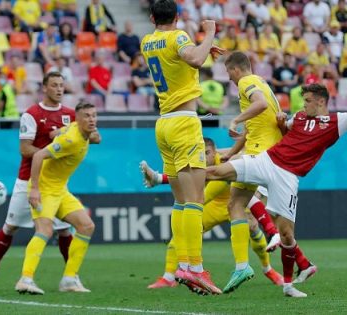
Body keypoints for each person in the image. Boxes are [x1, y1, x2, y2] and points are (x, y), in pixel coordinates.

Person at [206, 83, 347, 298]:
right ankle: (164, 177)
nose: (303, 104)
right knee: (216, 172)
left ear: (321, 102)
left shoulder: (336, 122)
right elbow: (284, 130)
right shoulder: (298, 117)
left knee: (286, 234)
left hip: (288, 177)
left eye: (307, 101)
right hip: (267, 160)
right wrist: (281, 123)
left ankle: (289, 285)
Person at [140, 0, 224, 295]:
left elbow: (184, 59)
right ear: (177, 16)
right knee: (196, 199)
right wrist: (210, 35)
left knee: (179, 200)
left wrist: (199, 49)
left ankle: (182, 266)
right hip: (185, 123)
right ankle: (196, 268)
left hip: (163, 123)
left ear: (151, 17)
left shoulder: (147, 41)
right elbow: (195, 60)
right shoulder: (178, 37)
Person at [140, 138, 283, 292]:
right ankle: (169, 277)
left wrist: (159, 178)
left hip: (232, 203)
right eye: (202, 153)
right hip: (215, 206)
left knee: (254, 229)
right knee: (184, 233)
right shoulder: (205, 160)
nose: (205, 157)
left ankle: (268, 269)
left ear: (214, 152)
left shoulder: (224, 162)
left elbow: (200, 192)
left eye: (207, 153)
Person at [0, 72, 80, 292]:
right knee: (11, 227)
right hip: (27, 181)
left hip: (55, 183)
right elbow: (25, 149)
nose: (59, 89)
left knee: (64, 230)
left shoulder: (70, 115)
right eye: (54, 85)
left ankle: (72, 277)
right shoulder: (32, 114)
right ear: (44, 88)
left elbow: (89, 136)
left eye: (62, 85)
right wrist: (50, 154)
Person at [16, 101, 99, 295]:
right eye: (86, 116)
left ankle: (69, 279)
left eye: (94, 115)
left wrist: (58, 132)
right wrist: (35, 189)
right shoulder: (71, 140)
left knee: (86, 226)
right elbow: (38, 157)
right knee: (45, 229)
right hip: (44, 189)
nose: (91, 119)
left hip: (60, 189)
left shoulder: (77, 130)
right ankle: (25, 279)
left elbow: (56, 134)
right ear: (77, 120)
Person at [220, 51, 283, 294]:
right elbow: (252, 128)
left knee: (211, 173)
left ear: (236, 70)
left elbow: (261, 104)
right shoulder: (261, 82)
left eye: (228, 73)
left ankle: (266, 238)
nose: (229, 79)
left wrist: (234, 119)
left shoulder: (247, 82)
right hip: (266, 151)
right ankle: (243, 265)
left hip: (261, 154)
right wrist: (231, 152)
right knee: (235, 204)